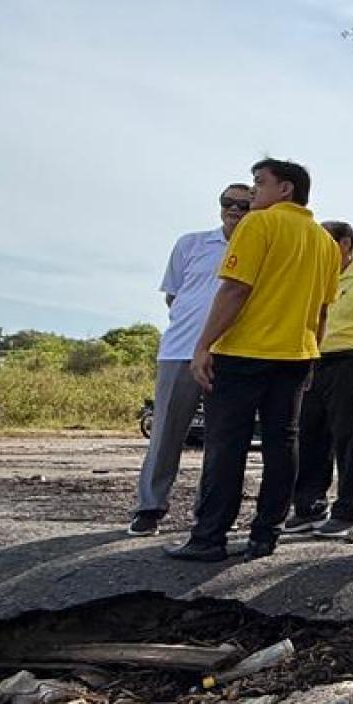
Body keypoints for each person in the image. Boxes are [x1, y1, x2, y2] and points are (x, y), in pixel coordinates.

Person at [168, 159, 339, 562]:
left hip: (244, 352)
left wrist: (203, 344)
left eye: (259, 184)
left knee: (227, 445)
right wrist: (312, 351)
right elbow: (322, 310)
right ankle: (266, 534)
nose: (252, 193)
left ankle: (210, 537)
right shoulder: (325, 242)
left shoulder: (258, 225)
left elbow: (233, 291)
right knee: (283, 445)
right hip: (296, 355)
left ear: (285, 190)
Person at [128, 182, 250, 536]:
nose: (235, 210)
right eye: (228, 203)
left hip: (231, 356)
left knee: (222, 441)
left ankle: (209, 516)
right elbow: (174, 297)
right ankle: (149, 508)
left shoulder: (261, 249)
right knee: (166, 433)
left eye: (243, 205)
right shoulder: (191, 244)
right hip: (180, 352)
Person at [286, 220, 353, 538]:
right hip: (311, 360)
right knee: (309, 436)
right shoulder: (309, 276)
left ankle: (348, 512)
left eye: (325, 241)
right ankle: (309, 506)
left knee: (347, 438)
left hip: (350, 360)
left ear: (346, 243)